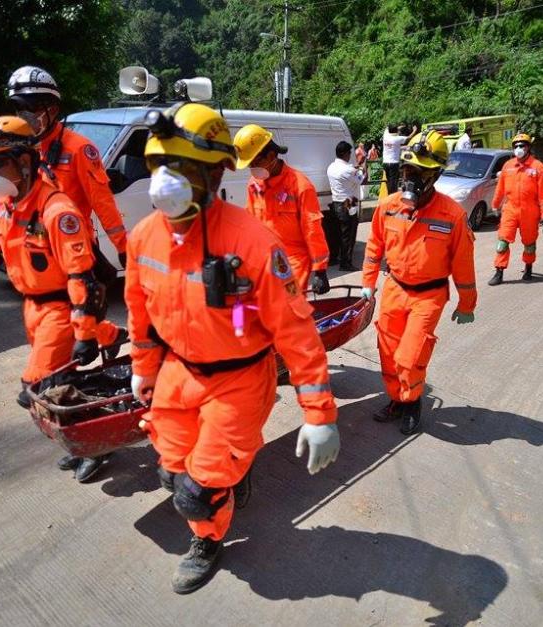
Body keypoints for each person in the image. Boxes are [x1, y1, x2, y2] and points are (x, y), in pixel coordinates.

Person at [126, 103, 340, 593]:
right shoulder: (144, 237)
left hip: (239, 379)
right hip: (178, 374)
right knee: (171, 472)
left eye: (182, 168)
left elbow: (296, 333)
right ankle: (230, 473)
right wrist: (144, 368)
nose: (167, 181)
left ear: (216, 172)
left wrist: (319, 413)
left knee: (196, 492)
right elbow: (140, 312)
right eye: (161, 166)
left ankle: (207, 539)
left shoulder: (253, 242)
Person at [0, 116, 126, 482]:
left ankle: (96, 446)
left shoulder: (57, 212)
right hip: (33, 308)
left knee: (38, 387)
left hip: (61, 309)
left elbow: (81, 278)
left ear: (24, 161)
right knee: (57, 381)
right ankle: (108, 335)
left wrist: (83, 330)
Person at [361, 129, 476, 435]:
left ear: (435, 175)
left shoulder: (452, 215)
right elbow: (374, 246)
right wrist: (368, 283)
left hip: (429, 295)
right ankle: (396, 399)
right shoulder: (389, 206)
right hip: (395, 288)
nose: (410, 178)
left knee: (409, 357)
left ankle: (412, 402)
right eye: (407, 170)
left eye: (419, 172)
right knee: (388, 352)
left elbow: (463, 264)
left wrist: (467, 304)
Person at [7, 66, 127, 270]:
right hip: (35, 251)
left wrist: (123, 247)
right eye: (19, 107)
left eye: (31, 107)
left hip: (74, 250)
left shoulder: (78, 149)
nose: (24, 115)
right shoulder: (22, 150)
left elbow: (102, 202)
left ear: (52, 110)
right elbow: (5, 200)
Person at [233, 123, 331, 295]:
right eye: (250, 165)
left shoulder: (300, 186)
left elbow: (312, 229)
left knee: (289, 306)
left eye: (255, 162)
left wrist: (320, 269)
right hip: (264, 259)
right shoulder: (254, 185)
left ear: (271, 155)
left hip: (293, 261)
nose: (252, 169)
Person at [488, 133, 543, 286]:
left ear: (528, 148)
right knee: (502, 242)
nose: (519, 148)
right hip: (510, 209)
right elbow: (500, 188)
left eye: (522, 145)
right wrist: (495, 204)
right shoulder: (508, 166)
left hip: (530, 211)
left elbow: (542, 194)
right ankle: (499, 272)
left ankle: (528, 268)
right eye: (516, 146)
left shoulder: (538, 167)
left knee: (529, 243)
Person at [326, 141, 362, 271]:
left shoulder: (331, 167)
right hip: (348, 204)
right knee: (349, 235)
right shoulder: (348, 169)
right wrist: (363, 167)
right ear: (346, 154)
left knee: (337, 234)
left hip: (336, 203)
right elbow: (363, 179)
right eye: (350, 153)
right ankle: (345, 263)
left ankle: (333, 258)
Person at [382, 123, 408, 193]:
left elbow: (387, 128)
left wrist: (399, 127)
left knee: (389, 181)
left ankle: (389, 195)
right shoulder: (397, 138)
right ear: (396, 131)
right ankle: (392, 195)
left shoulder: (385, 136)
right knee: (393, 182)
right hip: (394, 163)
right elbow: (409, 138)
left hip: (385, 162)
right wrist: (415, 130)